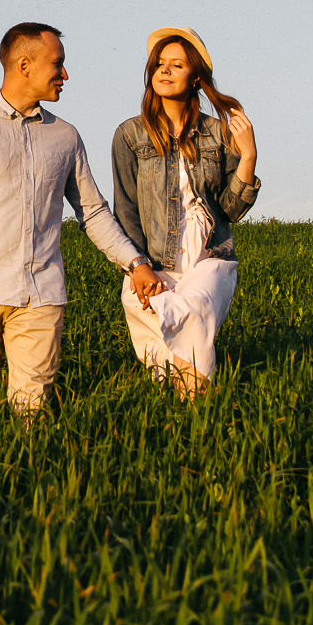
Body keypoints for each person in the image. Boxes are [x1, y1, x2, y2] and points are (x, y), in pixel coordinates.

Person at [0, 22, 165, 413]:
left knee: (32, 412)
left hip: (42, 294)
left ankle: (32, 470)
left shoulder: (66, 136)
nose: (65, 75)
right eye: (58, 64)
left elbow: (93, 211)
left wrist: (134, 262)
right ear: (24, 65)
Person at [111, 28, 259, 398]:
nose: (164, 71)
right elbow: (125, 211)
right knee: (149, 325)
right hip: (153, 262)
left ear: (195, 77)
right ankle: (179, 404)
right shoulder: (130, 135)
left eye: (176, 65)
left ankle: (193, 406)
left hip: (210, 259)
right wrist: (137, 267)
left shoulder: (217, 133)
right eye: (159, 64)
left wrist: (249, 157)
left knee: (192, 315)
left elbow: (230, 209)